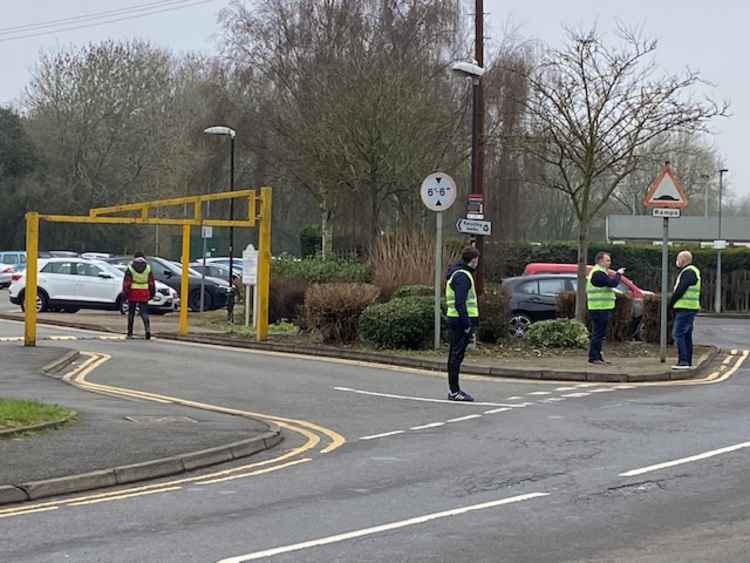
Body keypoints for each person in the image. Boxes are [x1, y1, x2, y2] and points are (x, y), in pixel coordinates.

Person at [445, 246, 480, 402]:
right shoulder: (463, 276)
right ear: (473, 260)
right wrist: (467, 324)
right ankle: (454, 391)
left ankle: (453, 390)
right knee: (456, 356)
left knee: (454, 355)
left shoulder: (456, 273)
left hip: (455, 318)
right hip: (460, 321)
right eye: (477, 260)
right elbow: (460, 302)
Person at [586, 251, 625, 365]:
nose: (610, 262)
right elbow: (612, 283)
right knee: (598, 333)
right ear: (600, 261)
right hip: (599, 308)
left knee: (599, 333)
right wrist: (618, 274)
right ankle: (594, 357)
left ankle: (597, 356)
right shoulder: (598, 273)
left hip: (600, 307)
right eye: (607, 260)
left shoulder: (600, 272)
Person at [669, 250, 701, 370]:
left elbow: (681, 289)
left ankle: (683, 361)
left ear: (683, 260)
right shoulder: (692, 271)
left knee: (678, 334)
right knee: (686, 335)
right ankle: (688, 361)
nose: (677, 260)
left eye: (678, 258)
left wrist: (671, 303)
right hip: (690, 307)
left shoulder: (689, 272)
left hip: (685, 307)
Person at [123, 252, 155, 340]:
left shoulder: (130, 268)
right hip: (144, 291)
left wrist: (125, 293)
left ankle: (130, 333)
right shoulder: (148, 268)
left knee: (131, 313)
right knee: (144, 312)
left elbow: (127, 282)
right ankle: (147, 330)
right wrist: (152, 293)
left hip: (133, 292)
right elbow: (151, 282)